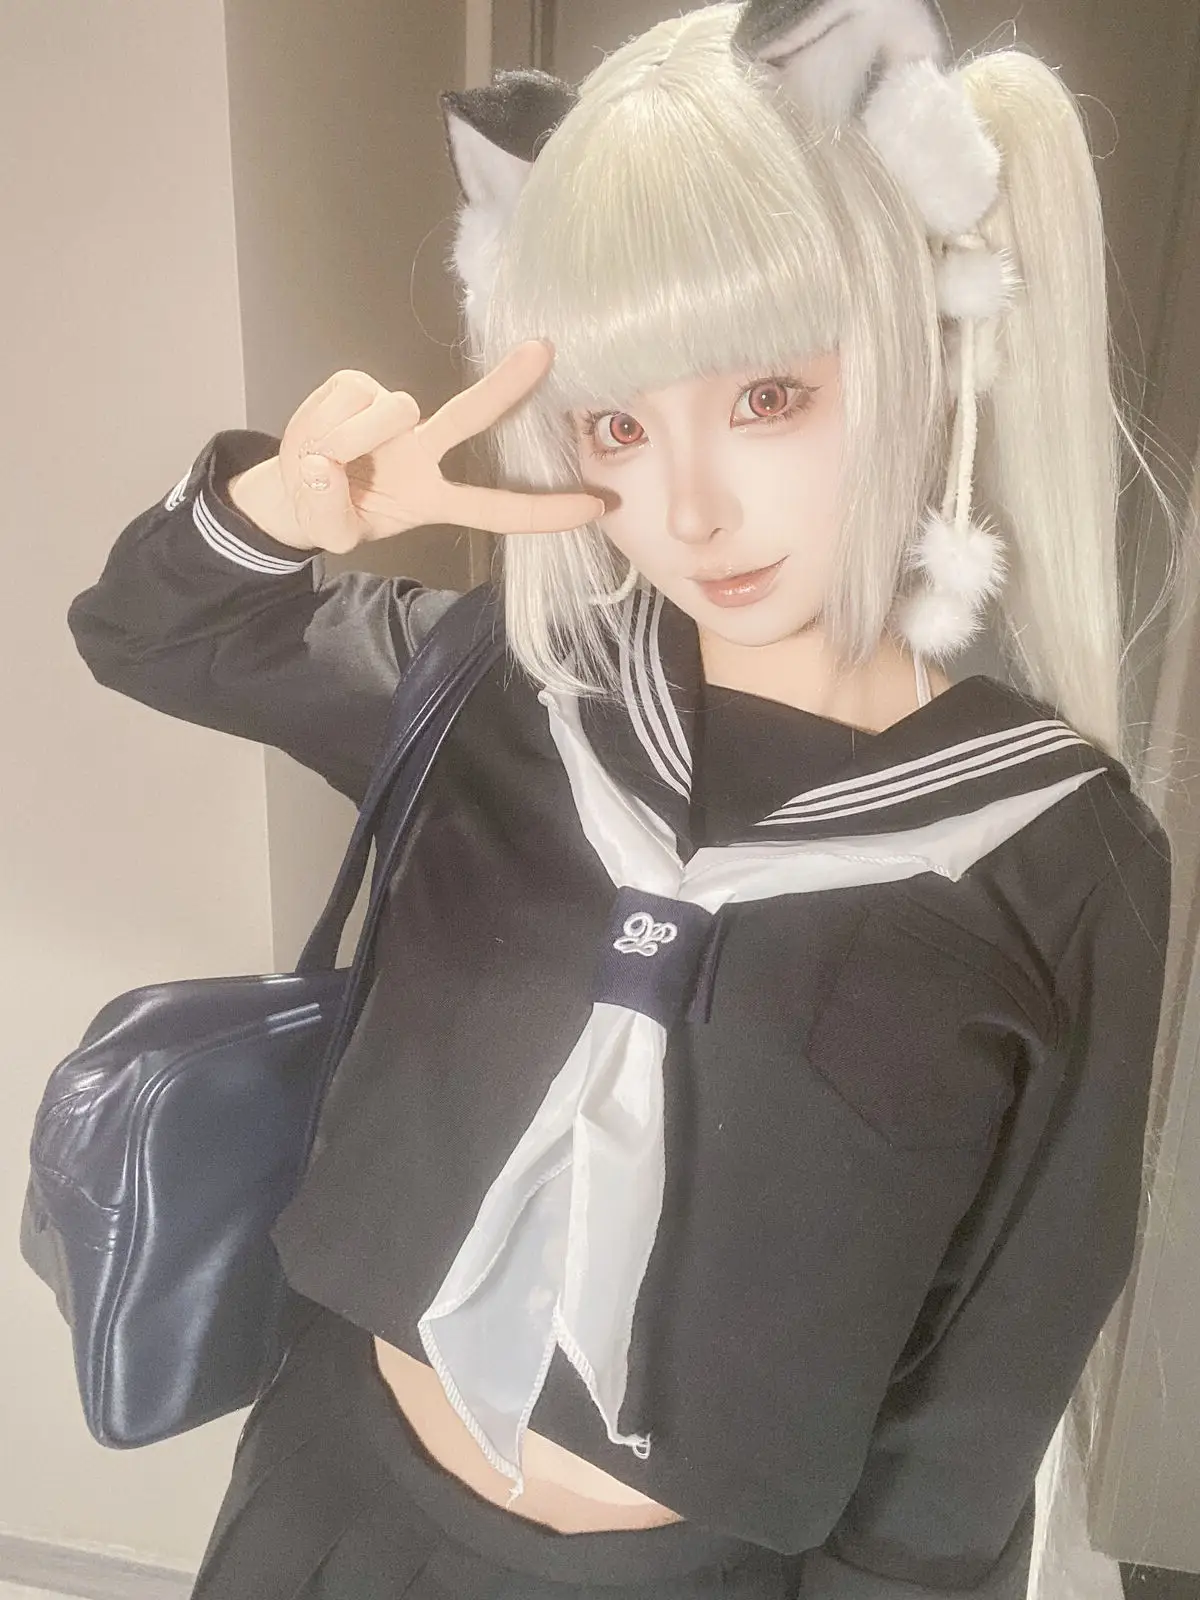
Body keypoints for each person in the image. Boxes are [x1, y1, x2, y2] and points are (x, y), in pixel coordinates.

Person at [67, 2, 1177, 1596]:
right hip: (328, 1498)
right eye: (618, 423)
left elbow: (1004, 1344)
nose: (692, 505)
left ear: (926, 346)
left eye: (769, 396)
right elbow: (154, 632)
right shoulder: (506, 683)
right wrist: (289, 515)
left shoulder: (1062, 858)